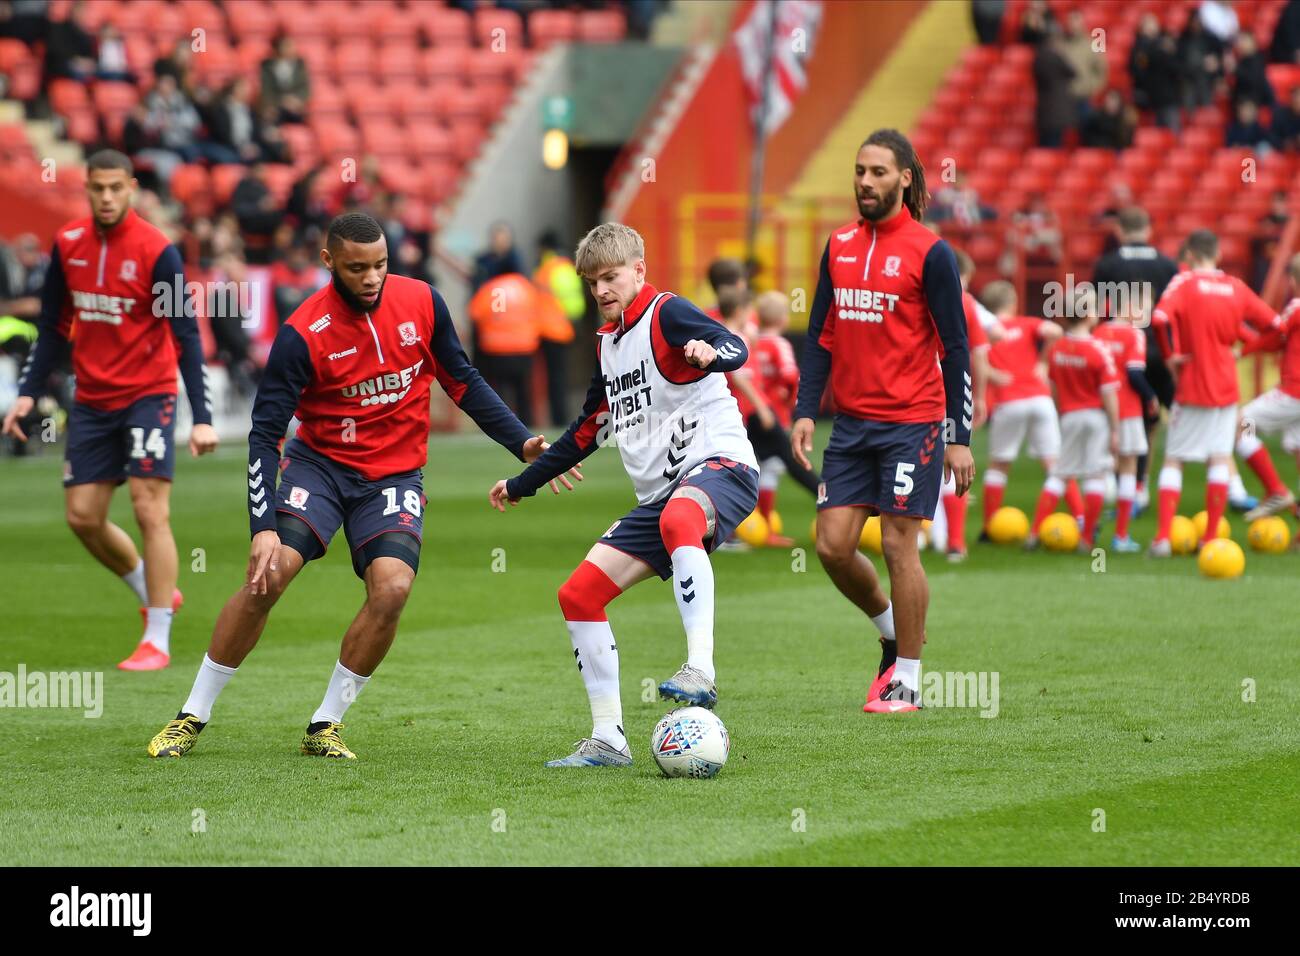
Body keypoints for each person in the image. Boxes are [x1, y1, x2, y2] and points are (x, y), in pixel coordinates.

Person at [144, 213, 576, 760]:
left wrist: (522, 443)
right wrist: (261, 528)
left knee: (393, 588)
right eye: (357, 268)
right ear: (329, 263)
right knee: (269, 576)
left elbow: (461, 380)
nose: (372, 278)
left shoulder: (423, 302)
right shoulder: (302, 334)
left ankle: (326, 723)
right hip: (318, 467)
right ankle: (191, 715)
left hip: (394, 475)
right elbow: (265, 435)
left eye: (380, 265)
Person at [489, 222, 757, 767]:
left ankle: (700, 668)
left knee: (681, 518)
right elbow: (585, 432)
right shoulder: (610, 347)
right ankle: (609, 737)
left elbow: (737, 345)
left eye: (610, 277)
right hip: (661, 500)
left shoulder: (668, 313)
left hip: (721, 466)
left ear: (639, 271)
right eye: (592, 282)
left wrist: (713, 353)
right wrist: (521, 485)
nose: (601, 291)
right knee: (578, 595)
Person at [1, 150, 217, 670]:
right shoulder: (69, 245)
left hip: (149, 394)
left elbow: (184, 334)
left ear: (132, 188)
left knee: (148, 507)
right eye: (97, 188)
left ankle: (157, 638)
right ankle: (151, 584)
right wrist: (28, 391)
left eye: (116, 188)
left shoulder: (157, 250)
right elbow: (54, 326)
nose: (106, 198)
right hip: (94, 400)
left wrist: (203, 415)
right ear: (88, 189)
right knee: (82, 517)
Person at [791, 128, 973, 714]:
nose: (865, 182)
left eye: (877, 172)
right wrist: (803, 411)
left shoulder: (931, 252)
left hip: (912, 424)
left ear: (905, 179)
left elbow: (957, 348)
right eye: (860, 171)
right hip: (850, 426)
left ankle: (910, 681)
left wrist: (958, 437)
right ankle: (894, 635)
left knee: (899, 544)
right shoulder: (838, 244)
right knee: (832, 546)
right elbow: (821, 338)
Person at [1148, 230, 1280, 554]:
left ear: (1190, 254)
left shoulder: (1185, 284)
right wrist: (1243, 351)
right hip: (1226, 383)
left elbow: (1160, 317)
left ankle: (1163, 537)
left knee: (1175, 459)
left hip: (1193, 380)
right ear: (1218, 253)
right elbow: (1275, 327)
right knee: (1219, 458)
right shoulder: (1236, 287)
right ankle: (1211, 538)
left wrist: (1170, 357)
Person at [1091, 206, 1179, 510]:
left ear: (1119, 231)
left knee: (1123, 419)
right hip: (1158, 349)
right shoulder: (1168, 265)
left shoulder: (1107, 264)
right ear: (1148, 229)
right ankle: (1142, 485)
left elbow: (1096, 308)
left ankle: (1116, 483)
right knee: (1160, 420)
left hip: (1119, 352)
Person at [1030, 290, 1120, 551]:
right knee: (1095, 475)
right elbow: (1109, 393)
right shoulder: (1098, 349)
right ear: (1089, 315)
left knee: (1060, 473)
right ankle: (1087, 538)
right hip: (1096, 417)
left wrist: (1062, 412)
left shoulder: (1056, 349)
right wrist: (1115, 428)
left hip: (1069, 416)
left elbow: (1054, 386)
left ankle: (1034, 533)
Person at [978, 280, 1069, 536]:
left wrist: (993, 375)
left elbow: (976, 359)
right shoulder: (1026, 323)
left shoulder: (986, 331)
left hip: (1009, 401)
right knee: (1056, 464)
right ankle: (1083, 520)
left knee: (999, 464)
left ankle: (989, 527)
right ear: (1014, 302)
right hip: (1040, 398)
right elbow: (1055, 331)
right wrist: (1043, 362)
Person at [750, 289, 820, 546]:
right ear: (783, 320)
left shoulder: (753, 341)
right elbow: (792, 376)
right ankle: (830, 499)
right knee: (786, 466)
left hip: (750, 415)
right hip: (773, 415)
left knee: (761, 466)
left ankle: (760, 527)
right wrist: (792, 402)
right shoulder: (780, 344)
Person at [1238, 253, 1300, 521]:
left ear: (1293, 281)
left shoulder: (1296, 306)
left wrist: (1242, 349)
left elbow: (1277, 336)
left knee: (1242, 425)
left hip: (1293, 393)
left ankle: (1275, 488)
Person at [1094, 296, 1159, 551]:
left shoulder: (1099, 331)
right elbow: (1134, 373)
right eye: (1142, 307)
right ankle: (1120, 536)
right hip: (1128, 409)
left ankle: (1088, 531)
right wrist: (1151, 395)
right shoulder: (1135, 335)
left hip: (1099, 407)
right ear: (1129, 307)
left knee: (1098, 467)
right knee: (1129, 465)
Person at [466, 270, 542, 428]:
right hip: (524, 347)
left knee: (499, 392)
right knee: (523, 391)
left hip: (497, 348)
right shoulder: (526, 288)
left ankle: (501, 426)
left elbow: (476, 313)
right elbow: (538, 312)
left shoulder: (490, 288)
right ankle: (527, 426)